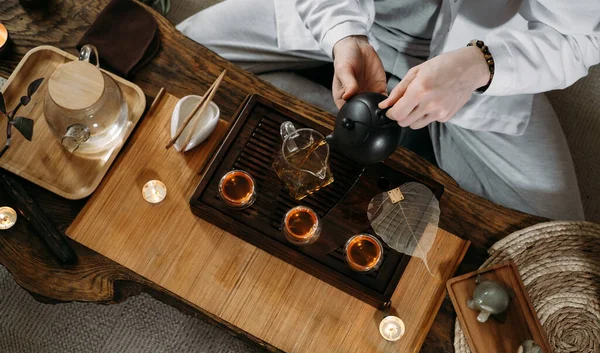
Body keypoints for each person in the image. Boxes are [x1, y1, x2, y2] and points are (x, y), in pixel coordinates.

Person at [178, 0, 600, 220]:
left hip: (482, 58)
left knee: (555, 238)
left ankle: (402, 137)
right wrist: (343, 34)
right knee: (181, 61)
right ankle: (348, 121)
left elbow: (582, 37)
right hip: (354, 21)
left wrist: (478, 66)